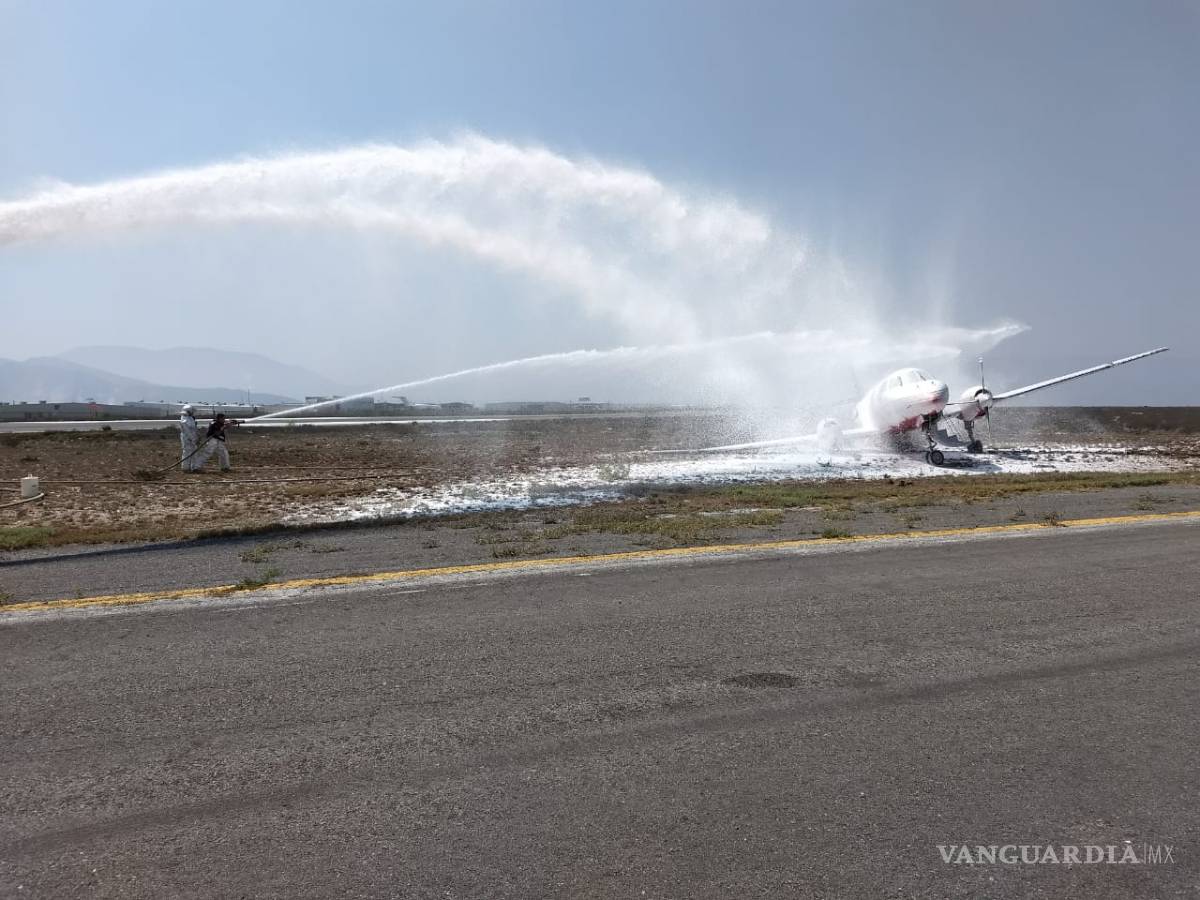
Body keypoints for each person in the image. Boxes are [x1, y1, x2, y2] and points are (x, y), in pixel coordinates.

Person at [178, 404, 201, 472]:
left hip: (192, 438)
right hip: (187, 438)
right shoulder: (184, 419)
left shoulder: (190, 418)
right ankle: (185, 468)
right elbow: (187, 431)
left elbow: (194, 429)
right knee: (187, 452)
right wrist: (193, 439)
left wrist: (197, 436)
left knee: (195, 453)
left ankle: (194, 467)